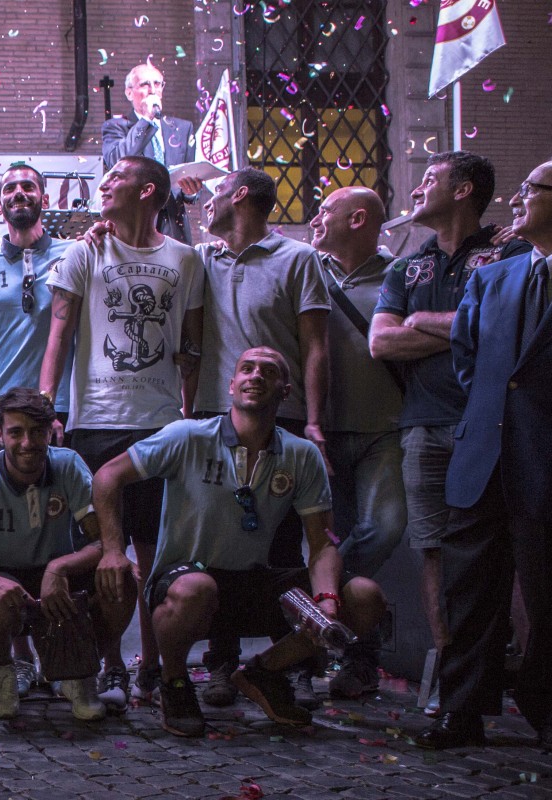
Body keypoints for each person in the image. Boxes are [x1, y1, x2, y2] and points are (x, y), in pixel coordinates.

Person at [417, 151, 552, 756]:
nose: (517, 197)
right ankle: (462, 713)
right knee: (470, 600)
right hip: (483, 462)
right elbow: (470, 363)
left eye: (532, 187)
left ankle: (551, 711)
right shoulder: (493, 278)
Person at [91, 347, 386, 738]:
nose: (255, 375)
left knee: (364, 597)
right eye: (246, 368)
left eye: (269, 370)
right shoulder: (188, 435)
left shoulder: (301, 455)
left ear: (285, 391)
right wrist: (113, 549)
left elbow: (323, 543)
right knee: (197, 587)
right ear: (231, 386)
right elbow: (108, 476)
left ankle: (264, 673)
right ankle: (175, 684)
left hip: (250, 580)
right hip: (184, 580)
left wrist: (327, 599)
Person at [39, 155, 205, 704]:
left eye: (116, 179)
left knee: (154, 551)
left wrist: (191, 411)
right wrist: (48, 404)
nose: (104, 185)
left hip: (159, 424)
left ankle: (153, 662)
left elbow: (191, 344)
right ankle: (110, 661)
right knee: (103, 553)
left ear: (148, 190)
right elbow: (59, 329)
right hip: (95, 421)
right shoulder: (85, 249)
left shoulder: (185, 260)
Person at [368, 151, 529, 716]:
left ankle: (525, 678)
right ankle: (452, 679)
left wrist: (423, 322)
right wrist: (465, 330)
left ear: (464, 190)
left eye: (430, 179)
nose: (416, 190)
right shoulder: (405, 267)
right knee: (432, 550)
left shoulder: (510, 254)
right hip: (422, 427)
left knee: (506, 552)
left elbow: (509, 332)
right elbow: (381, 342)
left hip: (494, 427)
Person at [189, 167, 331, 705]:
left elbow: (316, 346)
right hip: (218, 421)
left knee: (284, 546)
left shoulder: (298, 259)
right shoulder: (203, 258)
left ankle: (294, 661)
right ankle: (222, 664)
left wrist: (313, 421)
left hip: (284, 419)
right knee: (222, 546)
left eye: (216, 194)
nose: (208, 204)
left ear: (240, 196)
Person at [0, 388, 134, 721]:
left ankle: (79, 670)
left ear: (51, 431)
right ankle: (3, 670)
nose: (28, 442)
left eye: (38, 431)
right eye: (15, 432)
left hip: (58, 577)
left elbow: (104, 544)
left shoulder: (67, 465)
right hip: (1, 573)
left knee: (120, 577)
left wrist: (60, 567)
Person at [307, 186, 405, 698]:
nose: (315, 218)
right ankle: (357, 650)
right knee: (324, 538)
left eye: (326, 211)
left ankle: (322, 601)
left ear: (358, 218)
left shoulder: (402, 276)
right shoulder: (311, 270)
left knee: (384, 529)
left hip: (383, 429)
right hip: (318, 433)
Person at [0, 162, 74, 455]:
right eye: (10, 188)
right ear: (0, 207)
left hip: (59, 406)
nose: (19, 193)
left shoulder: (75, 254)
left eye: (28, 186)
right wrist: (11, 352)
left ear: (45, 199)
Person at [102, 64, 196, 243]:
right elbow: (118, 160)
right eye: (145, 84)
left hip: (174, 229)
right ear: (129, 93)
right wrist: (146, 119)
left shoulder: (182, 128)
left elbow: (189, 179)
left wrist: (190, 191)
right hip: (134, 227)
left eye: (157, 84)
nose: (152, 90)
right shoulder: (116, 127)